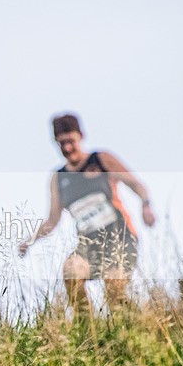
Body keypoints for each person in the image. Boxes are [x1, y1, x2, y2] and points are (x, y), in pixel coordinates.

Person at [19, 113, 156, 313]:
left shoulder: (101, 160)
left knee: (114, 287)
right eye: (61, 143)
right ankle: (85, 329)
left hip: (121, 238)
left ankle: (138, 324)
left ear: (81, 136)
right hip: (88, 244)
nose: (67, 148)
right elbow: (52, 220)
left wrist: (146, 205)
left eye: (71, 141)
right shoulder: (58, 178)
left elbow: (136, 183)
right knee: (71, 271)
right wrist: (30, 241)